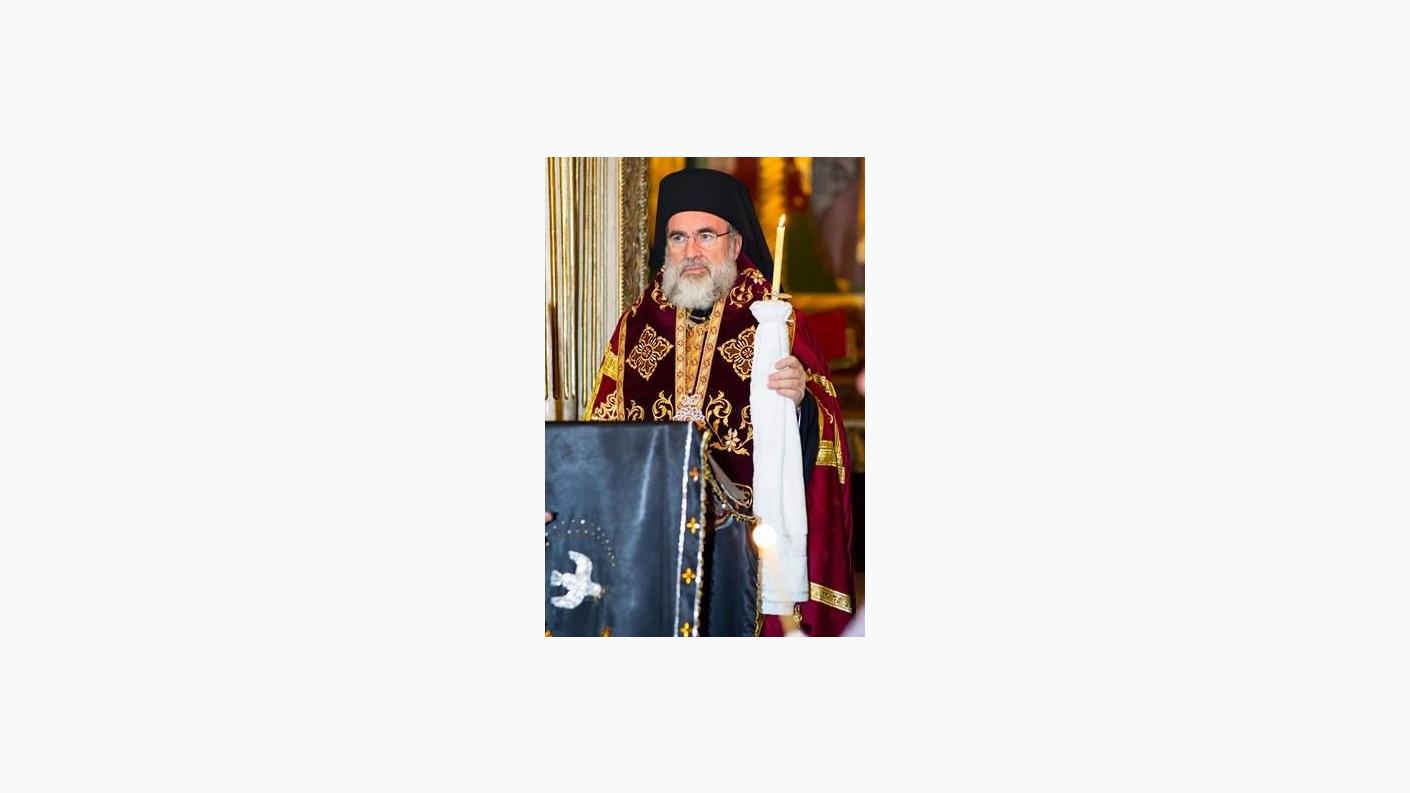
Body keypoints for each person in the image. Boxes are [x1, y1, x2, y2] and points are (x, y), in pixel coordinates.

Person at [584, 168, 855, 636]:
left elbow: (825, 430)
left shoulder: (775, 322)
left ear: (735, 243)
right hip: (656, 540)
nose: (691, 251)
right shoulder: (637, 325)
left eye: (706, 235)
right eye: (678, 237)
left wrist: (800, 403)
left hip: (749, 546)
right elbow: (601, 434)